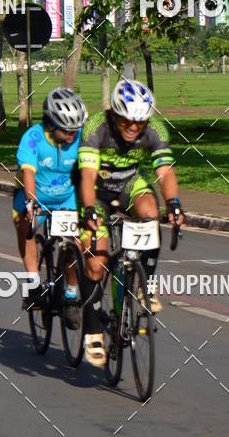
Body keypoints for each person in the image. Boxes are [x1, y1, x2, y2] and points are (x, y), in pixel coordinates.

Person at [77, 79, 185, 367]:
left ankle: (144, 284)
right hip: (95, 190)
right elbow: (87, 175)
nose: (134, 127)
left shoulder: (155, 129)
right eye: (127, 121)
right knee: (96, 262)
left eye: (140, 122)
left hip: (128, 183)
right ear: (114, 113)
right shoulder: (96, 127)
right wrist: (89, 210)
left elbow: (165, 171)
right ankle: (92, 332)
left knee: (150, 211)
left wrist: (173, 204)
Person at [13, 87, 87, 319]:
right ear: (51, 124)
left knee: (75, 245)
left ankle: (71, 293)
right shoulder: (33, 138)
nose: (72, 135)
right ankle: (33, 283)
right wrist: (31, 204)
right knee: (25, 226)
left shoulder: (82, 138)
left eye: (76, 129)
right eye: (66, 130)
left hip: (66, 196)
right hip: (35, 193)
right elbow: (28, 173)